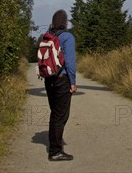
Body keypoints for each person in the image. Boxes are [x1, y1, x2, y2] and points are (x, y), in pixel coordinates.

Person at [45, 9, 77, 161]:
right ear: (65, 22)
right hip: (62, 79)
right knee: (61, 116)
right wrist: (73, 82)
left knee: (55, 114)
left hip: (49, 79)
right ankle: (55, 151)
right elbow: (70, 63)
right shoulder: (67, 37)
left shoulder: (49, 36)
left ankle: (54, 147)